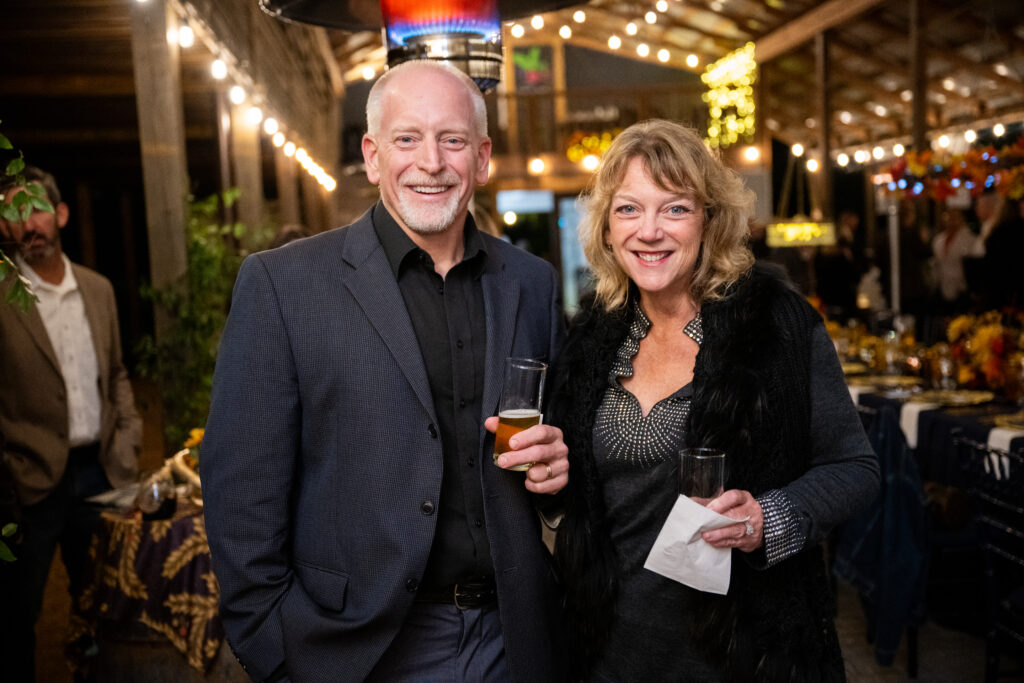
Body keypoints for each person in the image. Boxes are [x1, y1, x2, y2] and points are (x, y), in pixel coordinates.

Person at [201, 60, 569, 683]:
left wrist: (558, 477)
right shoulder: (283, 286)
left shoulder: (532, 284)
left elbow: (561, 454)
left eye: (451, 140)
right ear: (373, 157)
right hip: (358, 647)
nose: (430, 161)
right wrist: (277, 653)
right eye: (407, 139)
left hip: (513, 639)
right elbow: (241, 496)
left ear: (481, 159)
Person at [549, 120, 879, 681]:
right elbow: (573, 501)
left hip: (748, 651)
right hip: (609, 651)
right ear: (606, 228)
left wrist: (766, 520)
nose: (649, 231)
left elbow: (856, 468)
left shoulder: (777, 326)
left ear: (710, 219)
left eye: (674, 208)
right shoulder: (589, 342)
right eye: (629, 209)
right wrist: (551, 480)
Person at [0, 167, 142, 682]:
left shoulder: (97, 289)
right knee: (18, 617)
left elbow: (119, 374)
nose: (26, 224)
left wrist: (127, 443)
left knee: (102, 606)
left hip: (100, 475)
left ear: (59, 215)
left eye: (34, 208)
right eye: (11, 213)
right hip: (29, 484)